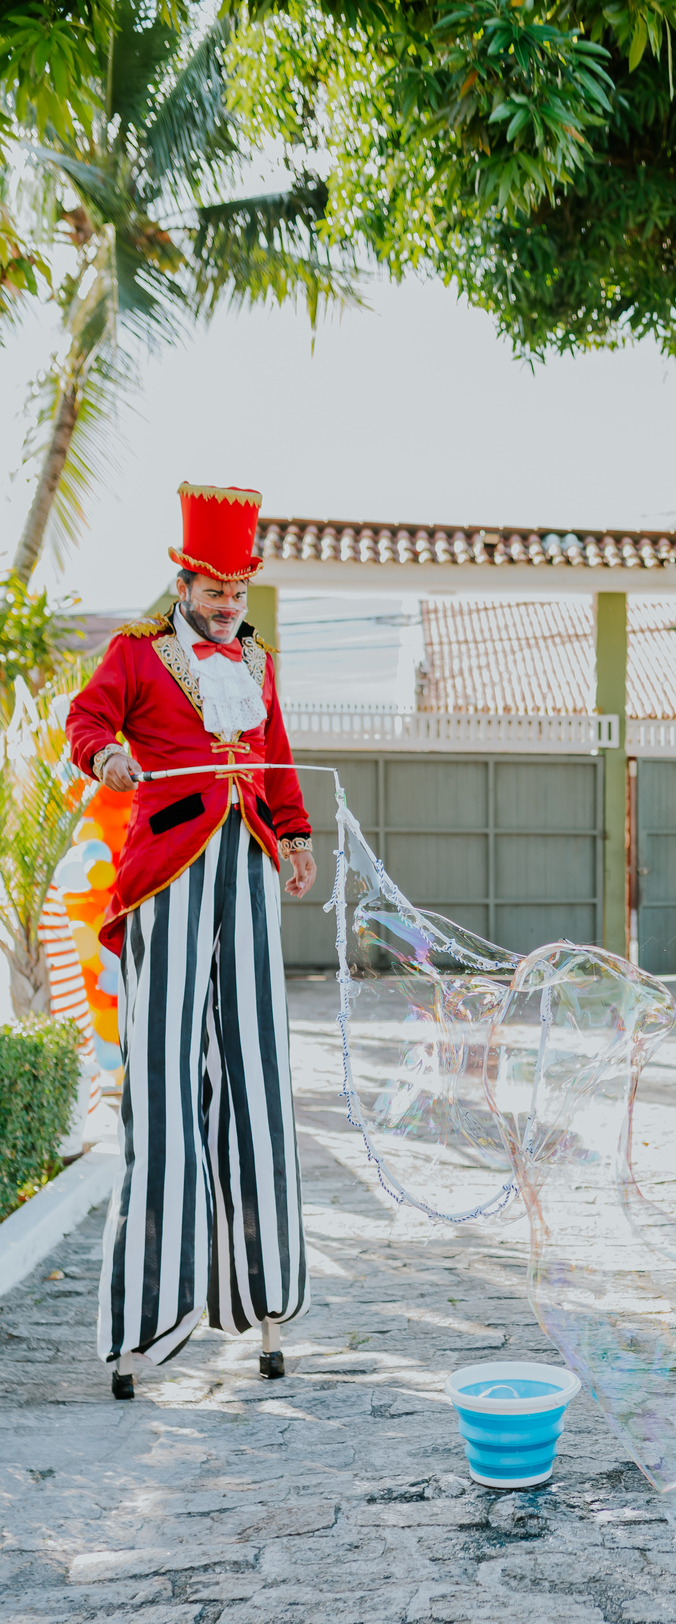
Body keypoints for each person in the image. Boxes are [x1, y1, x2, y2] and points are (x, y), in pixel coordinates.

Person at [67, 482, 316, 1399]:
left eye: (239, 589)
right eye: (215, 588)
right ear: (184, 580)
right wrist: (109, 755)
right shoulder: (135, 654)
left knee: (257, 1075)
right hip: (167, 873)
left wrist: (292, 841)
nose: (228, 603)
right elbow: (86, 721)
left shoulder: (259, 666)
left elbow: (276, 760)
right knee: (166, 1087)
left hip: (245, 871)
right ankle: (146, 1320)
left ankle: (266, 1300)